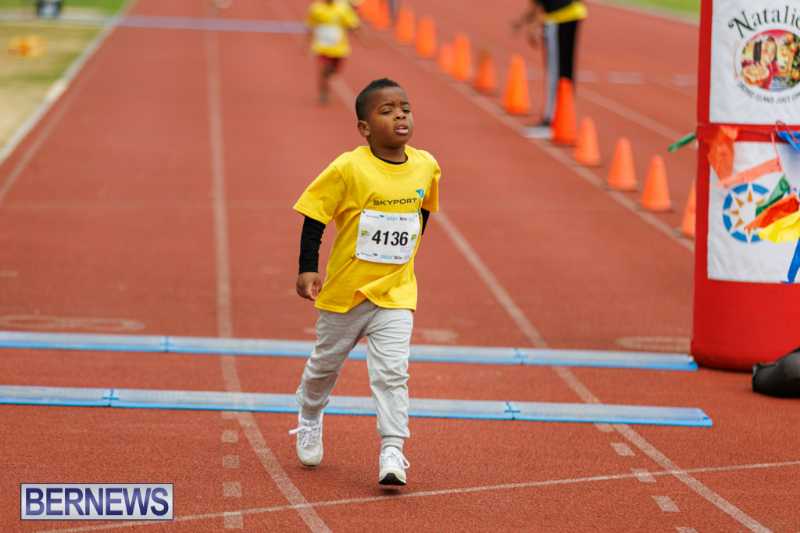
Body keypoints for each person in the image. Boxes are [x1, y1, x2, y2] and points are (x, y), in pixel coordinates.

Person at [289, 78, 441, 486]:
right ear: (365, 128)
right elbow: (315, 214)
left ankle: (392, 448)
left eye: (404, 108)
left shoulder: (426, 165)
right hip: (346, 293)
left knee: (392, 373)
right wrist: (307, 267)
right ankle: (310, 413)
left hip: (395, 292)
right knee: (325, 365)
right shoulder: (348, 168)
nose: (400, 116)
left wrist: (405, 254)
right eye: (386, 111)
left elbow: (423, 210)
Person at [512, 0, 587, 139]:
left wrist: (532, 23)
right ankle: (563, 119)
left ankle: (551, 121)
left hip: (558, 17)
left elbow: (538, 3)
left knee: (556, 71)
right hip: (571, 12)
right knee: (565, 70)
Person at [306, 0, 360, 104]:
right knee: (324, 69)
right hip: (322, 46)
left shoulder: (343, 8)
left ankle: (328, 75)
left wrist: (362, 38)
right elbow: (310, 26)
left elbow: (353, 24)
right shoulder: (316, 9)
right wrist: (305, 43)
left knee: (334, 71)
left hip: (339, 48)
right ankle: (323, 93)